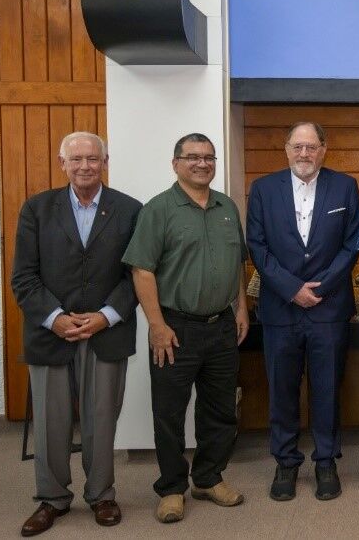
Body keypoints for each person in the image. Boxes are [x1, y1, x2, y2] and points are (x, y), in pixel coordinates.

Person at [12, 132, 141, 536]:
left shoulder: (130, 209)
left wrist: (105, 316)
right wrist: (55, 317)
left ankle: (102, 494)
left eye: (92, 158)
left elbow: (137, 275)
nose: (85, 165)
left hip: (106, 331)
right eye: (76, 159)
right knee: (51, 422)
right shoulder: (37, 209)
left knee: (101, 419)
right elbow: (24, 277)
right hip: (51, 333)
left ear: (105, 161)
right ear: (61, 162)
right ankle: (51, 498)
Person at [122, 133, 250, 523]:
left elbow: (237, 264)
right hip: (174, 327)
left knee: (221, 409)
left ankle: (209, 478)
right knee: (169, 413)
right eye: (192, 157)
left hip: (222, 326)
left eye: (209, 157)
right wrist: (156, 325)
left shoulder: (227, 206)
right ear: (175, 163)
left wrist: (241, 308)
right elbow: (142, 269)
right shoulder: (158, 210)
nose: (202, 163)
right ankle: (172, 488)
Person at [246, 121, 359, 501]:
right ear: (286, 148)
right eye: (298, 146)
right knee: (282, 389)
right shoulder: (263, 189)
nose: (304, 154)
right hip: (281, 310)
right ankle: (286, 462)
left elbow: (352, 245)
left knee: (328, 388)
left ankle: (326, 461)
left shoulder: (345, 186)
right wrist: (292, 288)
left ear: (323, 149)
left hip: (329, 309)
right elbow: (258, 247)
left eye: (311, 147)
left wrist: (322, 287)